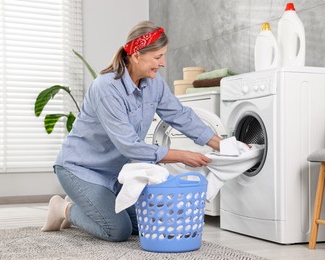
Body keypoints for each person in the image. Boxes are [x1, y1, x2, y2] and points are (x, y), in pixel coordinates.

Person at [41, 20, 222, 242]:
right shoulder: (107, 88)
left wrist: (221, 144)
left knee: (150, 222)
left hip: (115, 174)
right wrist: (183, 156)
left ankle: (91, 203)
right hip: (80, 168)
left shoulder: (153, 84)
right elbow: (129, 145)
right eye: (158, 57)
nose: (163, 63)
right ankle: (63, 208)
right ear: (136, 55)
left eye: (163, 56)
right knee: (117, 231)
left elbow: (179, 115)